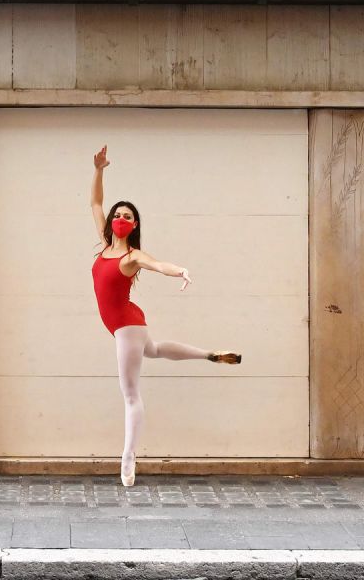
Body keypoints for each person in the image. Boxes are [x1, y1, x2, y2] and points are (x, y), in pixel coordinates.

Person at [90, 145, 241, 487]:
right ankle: (209, 354)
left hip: (126, 326)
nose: (121, 219)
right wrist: (99, 170)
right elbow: (96, 203)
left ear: (135, 224)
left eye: (129, 216)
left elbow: (157, 264)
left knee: (131, 395)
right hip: (130, 322)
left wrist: (180, 270)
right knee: (155, 350)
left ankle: (128, 459)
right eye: (119, 214)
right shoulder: (104, 245)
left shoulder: (131, 256)